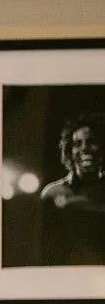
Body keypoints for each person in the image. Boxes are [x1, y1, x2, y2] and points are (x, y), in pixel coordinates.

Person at [37, 113, 105, 266]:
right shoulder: (53, 193)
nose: (85, 148)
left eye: (91, 142)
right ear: (69, 151)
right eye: (77, 144)